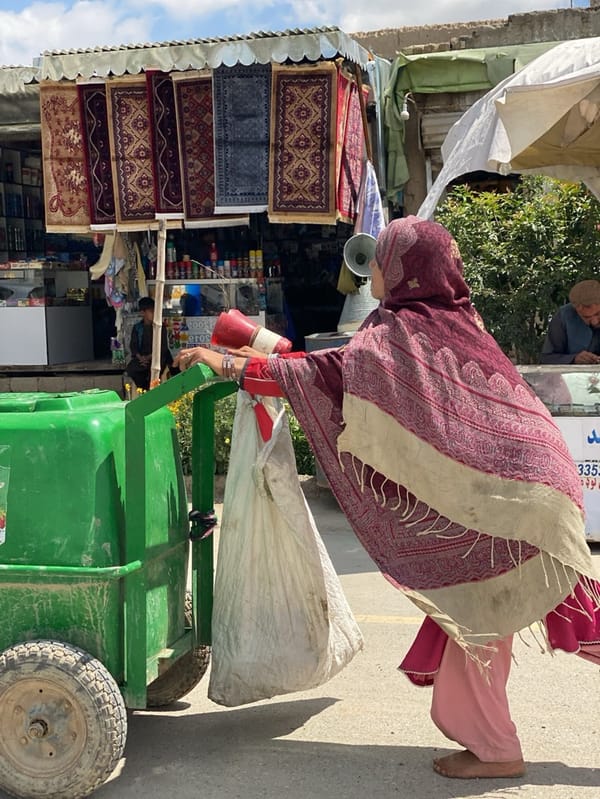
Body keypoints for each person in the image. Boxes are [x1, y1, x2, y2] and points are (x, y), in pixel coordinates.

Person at [175, 217, 600, 780]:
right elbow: (332, 369)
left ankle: (497, 749)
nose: (371, 269)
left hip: (515, 501)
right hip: (532, 485)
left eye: (381, 261)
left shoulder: (400, 333)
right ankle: (492, 742)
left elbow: (327, 375)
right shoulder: (448, 319)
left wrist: (223, 361)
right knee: (533, 613)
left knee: (492, 614)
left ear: (405, 270)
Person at [541, 279, 600, 364]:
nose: (594, 321)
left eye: (598, 314)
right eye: (586, 317)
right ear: (576, 310)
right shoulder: (563, 317)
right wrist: (573, 359)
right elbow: (547, 359)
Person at [126, 297, 175, 390]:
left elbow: (163, 348)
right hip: (142, 360)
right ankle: (144, 390)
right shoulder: (137, 328)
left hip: (159, 358)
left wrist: (149, 357)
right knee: (132, 369)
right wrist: (141, 358)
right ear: (143, 313)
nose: (154, 314)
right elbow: (133, 346)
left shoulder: (160, 327)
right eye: (151, 311)